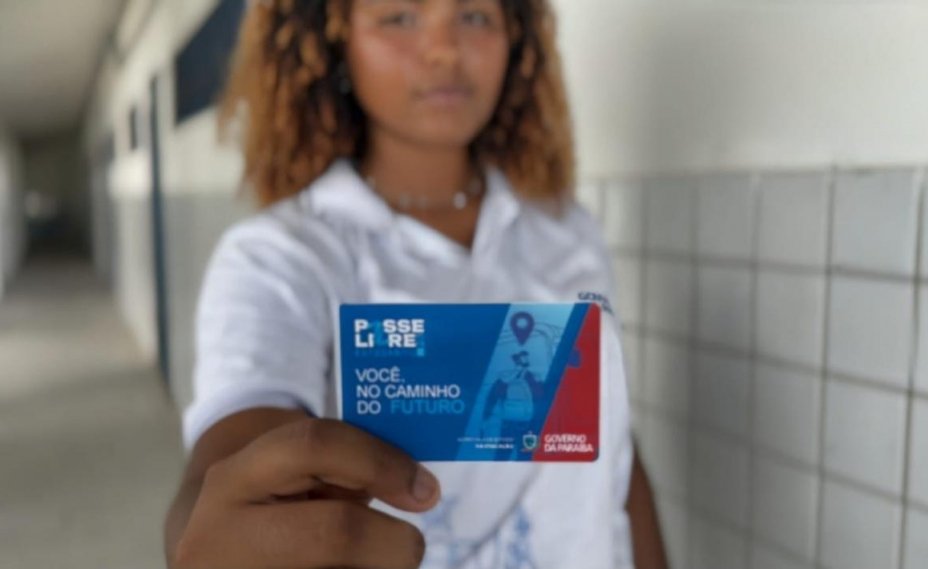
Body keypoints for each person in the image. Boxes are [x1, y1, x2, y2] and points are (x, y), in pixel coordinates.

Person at [163, 0, 668, 568]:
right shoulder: (280, 257)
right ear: (335, 42)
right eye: (399, 17)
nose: (445, 50)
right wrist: (221, 521)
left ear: (516, 38)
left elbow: (611, 447)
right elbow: (231, 454)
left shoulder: (567, 231)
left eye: (475, 16)